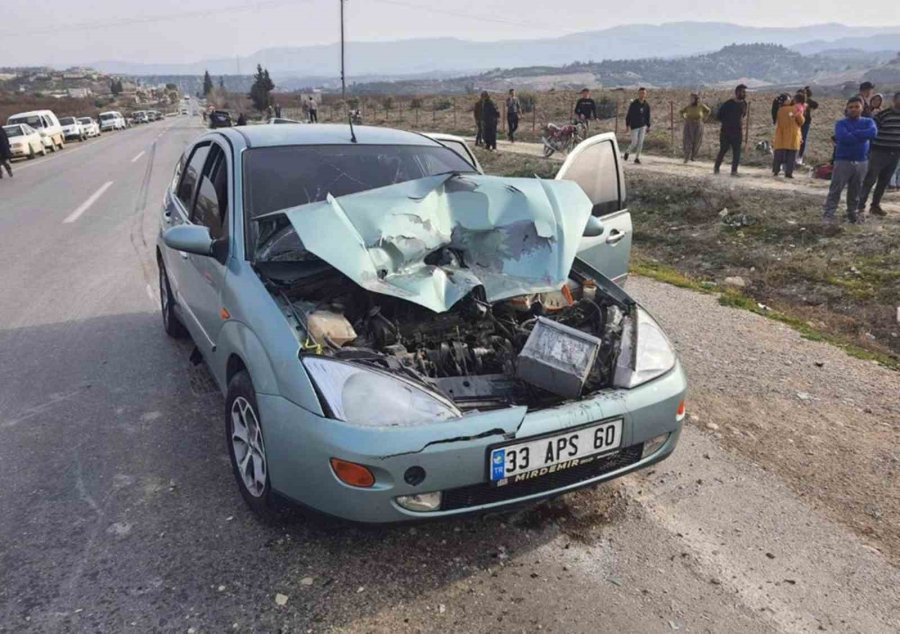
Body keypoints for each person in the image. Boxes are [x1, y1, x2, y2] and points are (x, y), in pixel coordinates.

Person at [822, 97, 878, 224]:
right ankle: (829, 214)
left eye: (856, 107)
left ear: (862, 108)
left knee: (856, 190)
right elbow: (843, 138)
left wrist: (854, 133)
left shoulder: (869, 122)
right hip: (843, 161)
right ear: (847, 109)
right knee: (836, 189)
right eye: (851, 107)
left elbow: (873, 133)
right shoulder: (841, 123)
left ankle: (852, 215)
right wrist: (862, 135)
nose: (853, 109)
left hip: (862, 161)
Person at [858, 91, 900, 217]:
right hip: (879, 152)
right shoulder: (883, 115)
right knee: (870, 179)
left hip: (895, 153)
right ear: (894, 100)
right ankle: (860, 206)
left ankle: (875, 206)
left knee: (884, 181)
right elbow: (872, 132)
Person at [714, 84, 748, 176]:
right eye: (742, 92)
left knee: (737, 152)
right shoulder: (728, 103)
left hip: (737, 132)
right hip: (726, 131)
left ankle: (734, 171)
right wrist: (727, 122)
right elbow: (719, 116)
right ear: (737, 92)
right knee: (723, 150)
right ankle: (716, 168)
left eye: (745, 92)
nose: (744, 93)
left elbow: (743, 116)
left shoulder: (744, 104)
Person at [772, 95, 804, 178]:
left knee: (778, 155)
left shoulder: (779, 110)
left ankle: (776, 170)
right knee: (791, 155)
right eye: (789, 99)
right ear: (785, 101)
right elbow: (801, 121)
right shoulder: (794, 109)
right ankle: (788, 172)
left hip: (781, 136)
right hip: (793, 135)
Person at [680, 93, 710, 163]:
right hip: (689, 124)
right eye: (690, 99)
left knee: (696, 141)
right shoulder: (688, 107)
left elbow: (708, 111)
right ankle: (686, 156)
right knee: (687, 140)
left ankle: (693, 156)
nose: (690, 100)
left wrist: (705, 117)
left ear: (696, 99)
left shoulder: (701, 106)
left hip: (698, 124)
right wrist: (684, 117)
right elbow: (681, 112)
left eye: (692, 98)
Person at [623, 87, 650, 164]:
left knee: (640, 142)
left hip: (643, 126)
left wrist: (648, 125)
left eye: (644, 93)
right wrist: (627, 125)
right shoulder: (634, 104)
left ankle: (637, 158)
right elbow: (629, 115)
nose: (642, 94)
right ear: (638, 94)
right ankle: (627, 151)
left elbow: (647, 116)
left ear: (646, 94)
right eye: (641, 93)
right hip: (634, 126)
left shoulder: (646, 105)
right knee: (634, 142)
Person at [798, 86, 819, 165]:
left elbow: (816, 105)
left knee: (802, 139)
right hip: (799, 122)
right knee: (799, 139)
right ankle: (797, 156)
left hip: (805, 122)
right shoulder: (797, 101)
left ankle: (799, 156)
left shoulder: (808, 101)